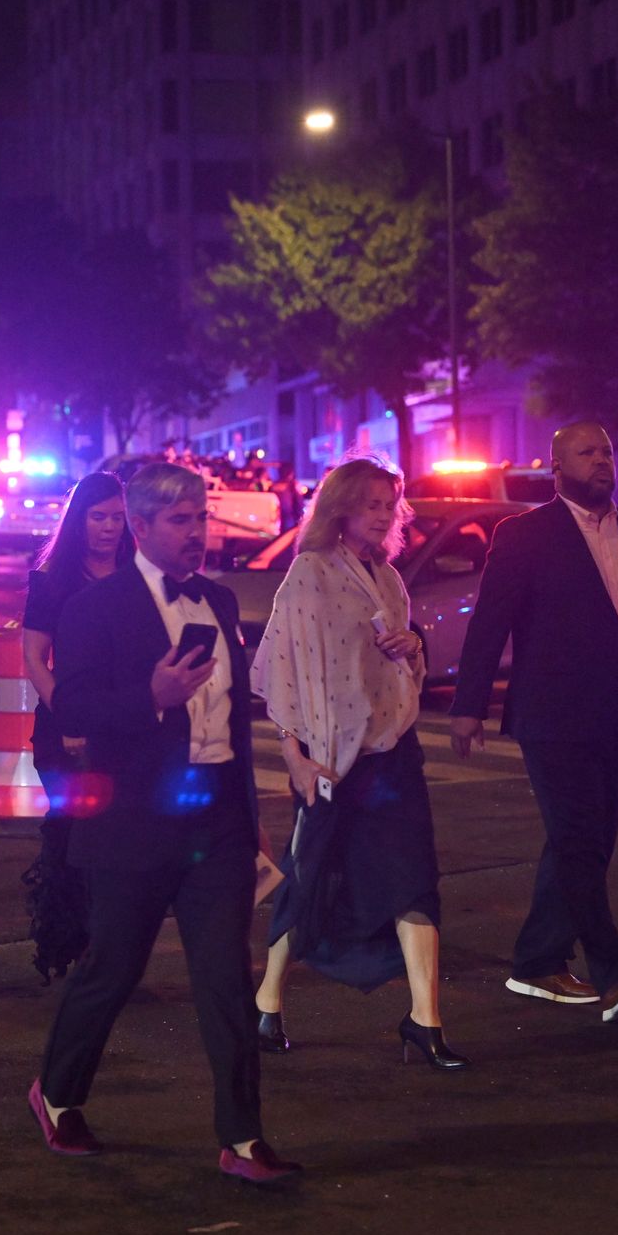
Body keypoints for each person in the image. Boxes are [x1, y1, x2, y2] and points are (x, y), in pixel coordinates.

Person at [29, 463, 298, 1186]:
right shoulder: (95, 608)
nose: (196, 535)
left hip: (216, 817)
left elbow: (233, 723)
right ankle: (57, 1092)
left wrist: (250, 814)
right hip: (134, 822)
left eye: (201, 520)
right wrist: (148, 697)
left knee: (225, 979)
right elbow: (75, 707)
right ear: (141, 528)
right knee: (112, 969)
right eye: (180, 522)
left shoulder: (216, 598)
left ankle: (242, 1138)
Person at [450, 422, 618, 1025]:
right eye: (586, 452)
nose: (602, 461)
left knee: (582, 842)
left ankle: (537, 960)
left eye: (607, 451)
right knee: (579, 838)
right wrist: (467, 706)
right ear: (557, 469)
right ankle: (614, 974)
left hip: (617, 712)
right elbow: (490, 623)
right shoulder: (526, 535)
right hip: (550, 715)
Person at [251, 457, 465, 1069]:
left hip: (393, 751)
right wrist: (294, 757)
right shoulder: (308, 574)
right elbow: (283, 670)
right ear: (341, 507)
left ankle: (425, 1021)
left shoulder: (390, 579)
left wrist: (412, 647)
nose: (382, 513)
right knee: (314, 874)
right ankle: (267, 1001)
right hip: (329, 759)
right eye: (370, 502)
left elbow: (402, 665)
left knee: (414, 875)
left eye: (390, 503)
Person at [20, 471, 133, 981]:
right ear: (78, 519)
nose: (109, 527)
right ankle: (65, 943)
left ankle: (111, 948)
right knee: (71, 836)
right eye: (98, 516)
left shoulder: (138, 572)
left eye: (117, 517)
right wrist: (67, 712)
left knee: (120, 839)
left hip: (126, 724)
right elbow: (33, 655)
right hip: (66, 729)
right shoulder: (53, 577)